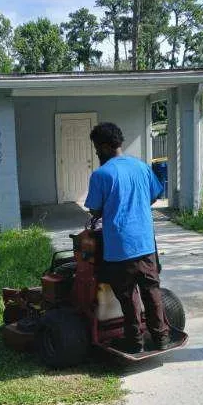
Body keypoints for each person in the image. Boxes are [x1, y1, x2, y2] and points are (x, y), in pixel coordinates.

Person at [84, 122, 169, 353]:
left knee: (128, 296)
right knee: (152, 291)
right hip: (145, 242)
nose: (96, 153)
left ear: (103, 146)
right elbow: (154, 195)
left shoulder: (101, 174)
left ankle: (135, 342)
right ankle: (161, 337)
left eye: (96, 148)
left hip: (120, 247)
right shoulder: (141, 167)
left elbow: (95, 209)